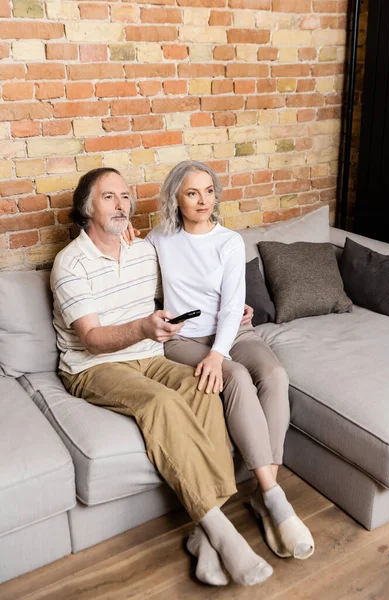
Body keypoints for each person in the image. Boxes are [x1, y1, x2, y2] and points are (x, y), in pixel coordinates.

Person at [50, 167, 273, 588]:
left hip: (148, 355)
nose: (121, 205)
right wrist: (142, 329)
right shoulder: (70, 263)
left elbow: (191, 284)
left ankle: (202, 536)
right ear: (86, 209)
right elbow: (92, 339)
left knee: (207, 385)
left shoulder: (142, 249)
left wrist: (235, 308)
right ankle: (221, 532)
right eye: (109, 198)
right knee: (163, 403)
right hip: (94, 366)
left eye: (125, 197)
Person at [142, 161, 315, 561]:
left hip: (233, 330)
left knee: (274, 372)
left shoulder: (229, 242)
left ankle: (262, 492)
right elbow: (128, 258)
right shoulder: (160, 239)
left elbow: (232, 304)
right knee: (235, 376)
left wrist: (219, 351)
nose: (203, 200)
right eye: (192, 193)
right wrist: (129, 236)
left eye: (209, 191)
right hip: (185, 339)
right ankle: (274, 498)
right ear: (176, 199)